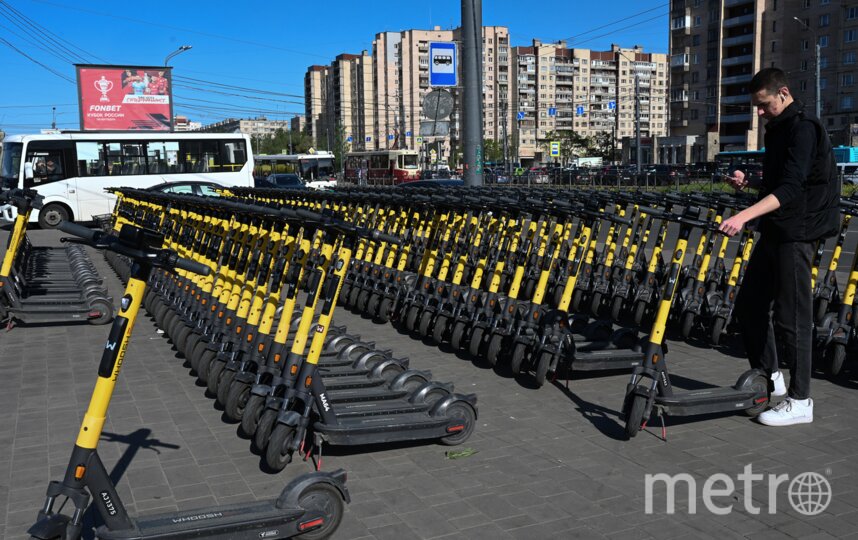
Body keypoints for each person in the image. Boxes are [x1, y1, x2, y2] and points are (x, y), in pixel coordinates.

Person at [719, 68, 840, 427]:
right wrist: (750, 181)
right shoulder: (779, 128)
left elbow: (791, 188)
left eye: (763, 105)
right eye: (756, 106)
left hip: (799, 233)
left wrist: (742, 217)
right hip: (777, 229)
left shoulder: (804, 128)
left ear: (783, 93)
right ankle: (770, 380)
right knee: (750, 306)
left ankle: (801, 401)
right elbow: (778, 182)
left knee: (793, 317)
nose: (759, 113)